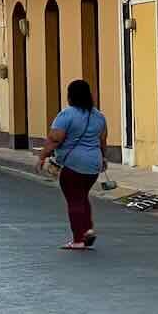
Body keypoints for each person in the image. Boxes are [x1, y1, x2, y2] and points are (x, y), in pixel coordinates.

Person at [37, 79, 108, 250]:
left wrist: (42, 156)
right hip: (93, 165)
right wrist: (103, 159)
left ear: (70, 95)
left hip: (72, 165)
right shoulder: (98, 116)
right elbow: (102, 141)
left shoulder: (66, 115)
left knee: (74, 201)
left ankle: (78, 239)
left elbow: (55, 139)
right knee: (82, 197)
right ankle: (88, 229)